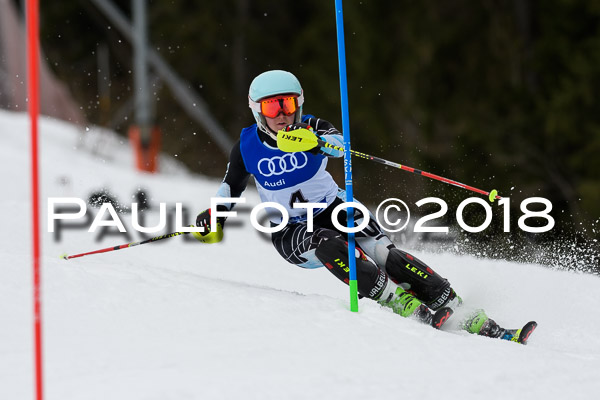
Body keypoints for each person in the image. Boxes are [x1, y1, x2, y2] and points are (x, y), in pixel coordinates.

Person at [192, 70, 526, 339]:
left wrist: (318, 143)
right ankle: (401, 304)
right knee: (327, 243)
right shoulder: (247, 145)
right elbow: (231, 185)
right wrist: (214, 215)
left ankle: (466, 314)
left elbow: (340, 145)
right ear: (257, 110)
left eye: (288, 104)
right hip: (291, 228)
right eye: (271, 107)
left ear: (299, 104)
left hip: (336, 208)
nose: (282, 114)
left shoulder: (312, 126)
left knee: (388, 257)